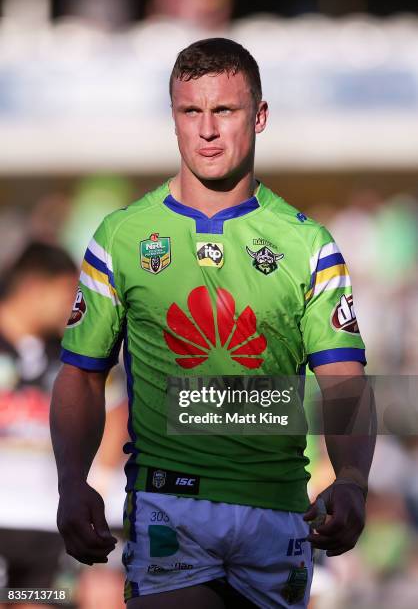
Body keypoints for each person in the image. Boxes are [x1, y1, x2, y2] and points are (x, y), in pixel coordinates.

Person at [50, 38, 375, 609]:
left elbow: (344, 379)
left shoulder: (308, 244)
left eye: (224, 110)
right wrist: (72, 482)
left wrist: (351, 478)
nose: (206, 130)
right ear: (172, 117)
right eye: (190, 111)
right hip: (169, 506)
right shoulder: (121, 238)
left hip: (278, 513)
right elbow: (80, 375)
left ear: (260, 115)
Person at [0, 242, 77, 608]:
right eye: (67, 291)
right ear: (32, 286)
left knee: (39, 601)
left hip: (47, 524)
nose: (74, 304)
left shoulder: (69, 357)